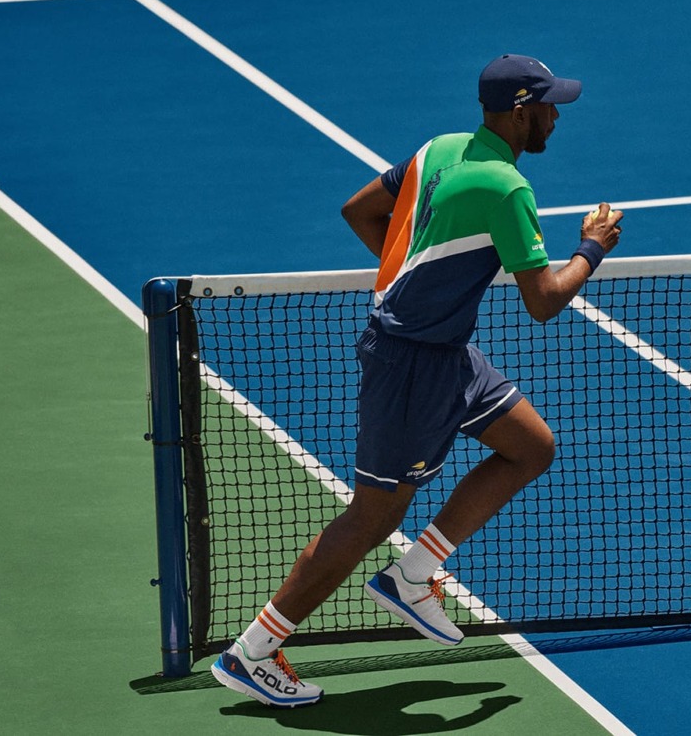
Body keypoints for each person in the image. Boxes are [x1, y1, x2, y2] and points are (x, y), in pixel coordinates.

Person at [211, 54, 624, 707]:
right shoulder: (506, 188)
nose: (555, 117)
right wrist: (593, 246)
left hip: (448, 355)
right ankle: (253, 649)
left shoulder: (439, 149)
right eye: (549, 106)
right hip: (408, 369)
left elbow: (359, 211)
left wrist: (414, 278)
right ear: (521, 111)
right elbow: (543, 302)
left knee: (531, 446)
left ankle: (415, 573)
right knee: (371, 517)